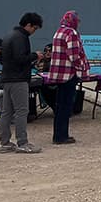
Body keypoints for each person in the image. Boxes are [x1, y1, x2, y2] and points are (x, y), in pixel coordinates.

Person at [0, 12, 45, 154]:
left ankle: (5, 142)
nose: (34, 31)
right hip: (18, 79)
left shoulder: (9, 35)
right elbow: (20, 58)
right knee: (22, 111)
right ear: (28, 25)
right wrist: (35, 56)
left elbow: (3, 58)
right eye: (35, 28)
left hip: (7, 78)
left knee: (7, 112)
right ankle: (22, 142)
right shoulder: (21, 37)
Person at [42, 11, 89, 145]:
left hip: (58, 73)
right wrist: (82, 66)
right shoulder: (71, 33)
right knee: (66, 106)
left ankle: (58, 135)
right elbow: (74, 56)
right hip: (69, 73)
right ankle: (62, 136)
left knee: (59, 105)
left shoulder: (58, 32)